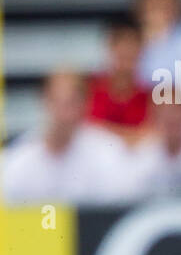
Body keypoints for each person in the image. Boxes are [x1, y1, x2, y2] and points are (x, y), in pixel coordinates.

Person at [2, 71, 140, 205]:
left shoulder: (108, 152)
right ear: (43, 101)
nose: (63, 113)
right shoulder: (19, 157)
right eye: (56, 101)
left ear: (85, 104)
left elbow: (120, 203)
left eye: (71, 103)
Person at [87, 14, 153, 142]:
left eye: (132, 43)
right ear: (109, 46)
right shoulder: (88, 91)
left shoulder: (151, 98)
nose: (126, 50)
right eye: (120, 43)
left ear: (142, 47)